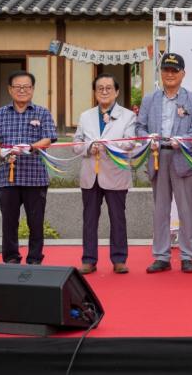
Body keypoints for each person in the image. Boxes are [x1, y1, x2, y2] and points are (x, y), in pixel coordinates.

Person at [134, 53, 192, 274]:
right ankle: (161, 256)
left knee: (185, 210)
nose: (170, 74)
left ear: (183, 74)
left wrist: (182, 141)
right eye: (166, 70)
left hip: (183, 157)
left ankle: (187, 256)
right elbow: (139, 128)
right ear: (161, 73)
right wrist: (149, 139)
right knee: (161, 210)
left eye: (175, 71)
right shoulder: (149, 99)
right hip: (157, 157)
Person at [0, 70, 57, 265]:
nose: (22, 90)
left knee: (35, 223)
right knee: (9, 222)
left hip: (35, 177)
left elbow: (49, 138)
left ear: (32, 89)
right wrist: (1, 151)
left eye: (26, 87)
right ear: (10, 89)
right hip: (7, 178)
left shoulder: (42, 112)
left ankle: (34, 259)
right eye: (18, 87)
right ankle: (11, 259)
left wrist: (32, 146)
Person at [74, 74, 137, 274]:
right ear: (95, 92)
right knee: (89, 219)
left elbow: (130, 142)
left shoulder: (128, 116)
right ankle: (89, 259)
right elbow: (76, 143)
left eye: (109, 88)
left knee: (118, 218)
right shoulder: (85, 116)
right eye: (100, 88)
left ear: (117, 91)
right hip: (90, 174)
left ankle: (119, 259)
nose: (104, 91)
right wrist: (87, 148)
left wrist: (107, 146)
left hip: (116, 174)